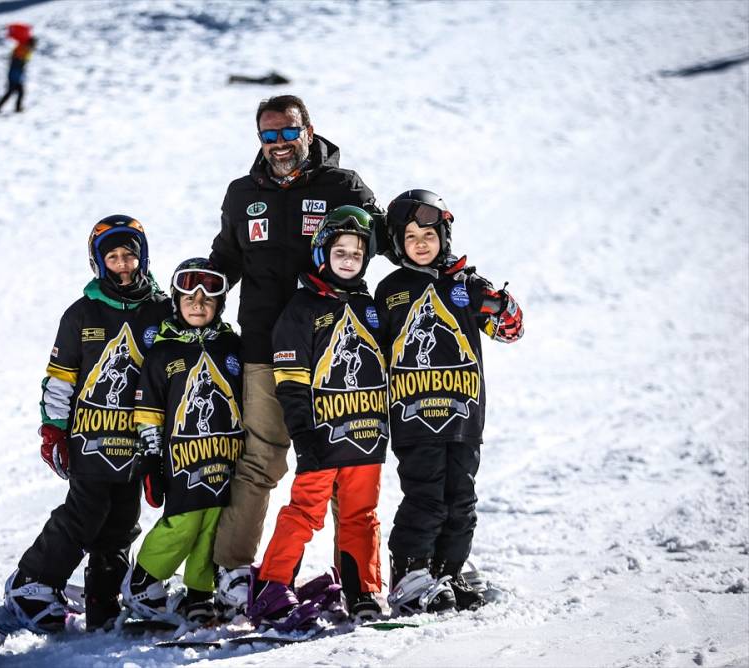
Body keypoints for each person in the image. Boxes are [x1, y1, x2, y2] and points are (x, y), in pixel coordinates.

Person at [208, 94, 390, 616]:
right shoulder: (243, 193)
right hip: (267, 346)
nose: (279, 144)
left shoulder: (341, 186)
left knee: (342, 464)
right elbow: (226, 258)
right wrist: (189, 300)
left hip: (340, 351)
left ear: (308, 131)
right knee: (262, 458)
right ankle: (235, 573)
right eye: (269, 135)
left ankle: (353, 580)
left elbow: (384, 240)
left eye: (288, 132)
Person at [3, 215, 171, 633]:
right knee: (85, 512)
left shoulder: (162, 310)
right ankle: (32, 581)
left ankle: (103, 597)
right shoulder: (81, 313)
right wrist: (53, 430)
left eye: (129, 255)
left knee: (122, 521)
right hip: (91, 437)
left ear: (143, 257)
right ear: (98, 263)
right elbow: (60, 379)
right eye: (112, 257)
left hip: (136, 441)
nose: (122, 264)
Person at [374, 189, 524, 614]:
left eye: (428, 233)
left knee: (461, 497)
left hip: (462, 417)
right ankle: (409, 573)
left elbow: (510, 331)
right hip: (414, 417)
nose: (420, 243)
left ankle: (447, 570)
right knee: (426, 495)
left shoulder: (466, 285)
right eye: (409, 237)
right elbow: (371, 350)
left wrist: (501, 306)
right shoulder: (390, 291)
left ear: (445, 234)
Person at [247, 206, 388, 630]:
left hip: (366, 434)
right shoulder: (302, 307)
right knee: (305, 512)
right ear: (322, 253)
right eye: (339, 250)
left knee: (361, 513)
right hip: (323, 436)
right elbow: (290, 381)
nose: (348, 259)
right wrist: (304, 433)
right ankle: (272, 586)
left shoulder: (369, 306)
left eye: (356, 253)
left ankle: (362, 589)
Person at [120, 258, 244, 626]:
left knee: (212, 524)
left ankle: (199, 592)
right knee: (183, 522)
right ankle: (143, 581)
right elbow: (148, 411)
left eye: (208, 300)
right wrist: (150, 457)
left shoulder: (232, 346)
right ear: (176, 301)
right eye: (189, 298)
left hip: (224, 454)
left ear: (220, 305)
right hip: (181, 458)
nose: (198, 304)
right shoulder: (163, 352)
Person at [0, 36, 36, 113]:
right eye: (33, 45)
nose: (33, 47)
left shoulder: (25, 51)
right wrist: (22, 62)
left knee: (19, 92)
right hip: (13, 76)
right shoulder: (21, 50)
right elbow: (16, 62)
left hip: (17, 76)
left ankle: (16, 108)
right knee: (12, 92)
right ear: (29, 44)